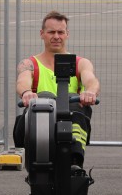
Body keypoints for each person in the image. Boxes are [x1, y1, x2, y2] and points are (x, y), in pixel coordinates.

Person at [14, 10, 100, 169]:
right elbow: (22, 80)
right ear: (42, 34)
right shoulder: (29, 63)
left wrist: (90, 92)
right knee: (44, 97)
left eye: (60, 32)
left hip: (69, 117)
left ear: (67, 34)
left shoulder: (81, 63)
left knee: (74, 103)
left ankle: (75, 161)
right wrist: (26, 93)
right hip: (39, 121)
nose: (56, 36)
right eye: (51, 32)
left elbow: (91, 79)